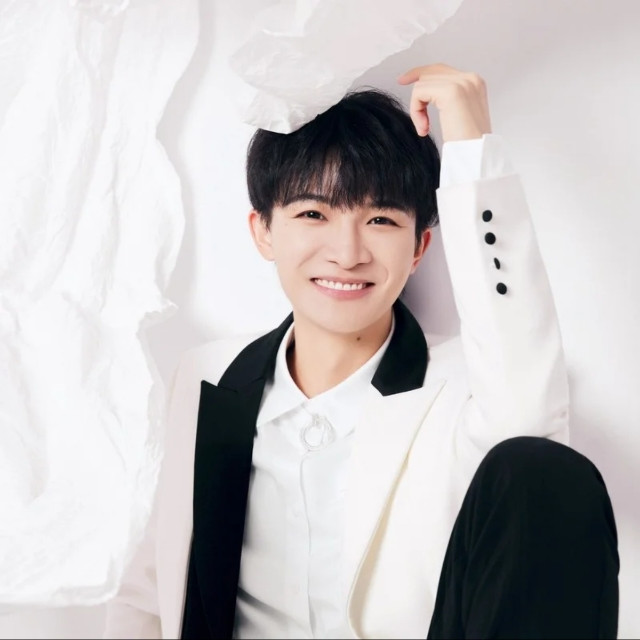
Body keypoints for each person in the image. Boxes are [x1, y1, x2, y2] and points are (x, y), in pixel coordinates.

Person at [103, 64, 619, 639]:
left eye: (380, 219)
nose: (347, 254)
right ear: (263, 230)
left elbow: (535, 445)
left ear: (420, 246)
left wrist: (473, 151)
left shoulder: (468, 386)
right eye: (313, 214)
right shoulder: (205, 376)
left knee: (546, 472)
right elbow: (152, 594)